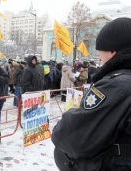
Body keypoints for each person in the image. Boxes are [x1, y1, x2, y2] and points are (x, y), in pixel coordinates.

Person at [52, 17, 131, 171]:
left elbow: (73, 135)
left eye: (100, 52)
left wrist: (71, 116)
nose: (100, 58)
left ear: (113, 51)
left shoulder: (117, 85)